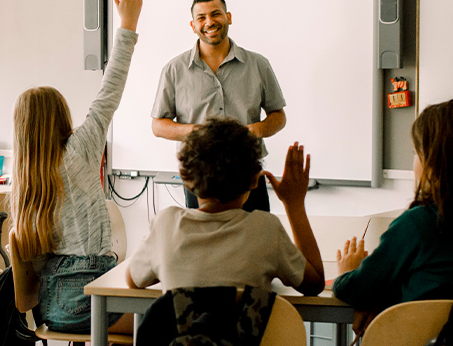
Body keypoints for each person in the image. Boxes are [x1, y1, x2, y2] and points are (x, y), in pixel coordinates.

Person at [9, 0, 141, 346]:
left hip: (50, 308)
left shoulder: (25, 176)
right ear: (61, 117)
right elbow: (109, 93)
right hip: (91, 296)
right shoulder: (78, 151)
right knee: (160, 323)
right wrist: (128, 28)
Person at [333, 98, 453, 334]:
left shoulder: (418, 226)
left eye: (416, 153)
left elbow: (356, 290)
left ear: (436, 162)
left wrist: (346, 272)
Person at [125, 119, 324, 298]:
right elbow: (314, 284)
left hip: (182, 340)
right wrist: (294, 205)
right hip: (248, 341)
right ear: (256, 179)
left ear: (185, 177)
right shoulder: (266, 230)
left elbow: (133, 279)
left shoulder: (166, 225)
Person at [150, 0, 286, 212]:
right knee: (204, 244)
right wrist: (200, 133)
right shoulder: (174, 70)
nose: (209, 22)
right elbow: (158, 126)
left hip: (249, 173)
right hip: (199, 178)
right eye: (201, 17)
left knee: (256, 243)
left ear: (228, 17)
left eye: (216, 14)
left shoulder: (258, 64)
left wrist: (256, 130)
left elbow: (278, 116)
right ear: (193, 25)